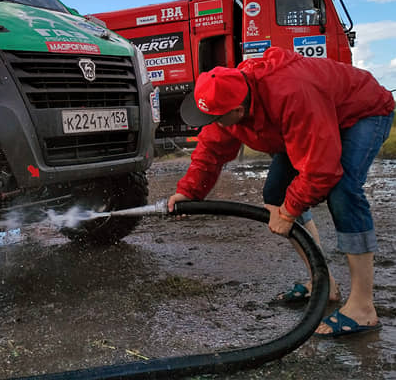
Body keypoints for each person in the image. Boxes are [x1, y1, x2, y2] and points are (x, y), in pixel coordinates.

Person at [168, 47, 394, 337]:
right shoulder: (227, 100)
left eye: (215, 118)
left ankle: (363, 308)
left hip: (362, 112)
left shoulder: (291, 93)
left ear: (237, 110)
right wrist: (189, 192)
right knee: (276, 194)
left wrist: (290, 212)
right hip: (317, 117)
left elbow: (321, 168)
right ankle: (324, 283)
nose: (210, 123)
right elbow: (210, 150)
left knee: (343, 191)